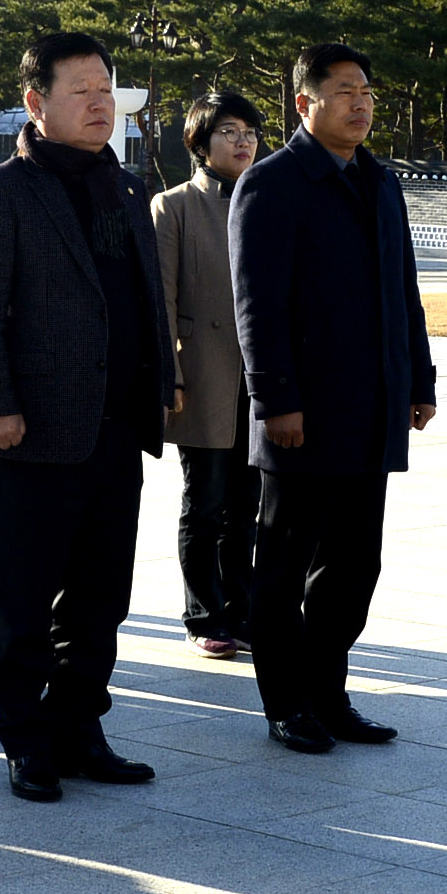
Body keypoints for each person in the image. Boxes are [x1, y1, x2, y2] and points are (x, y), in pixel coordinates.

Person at [0, 30, 175, 802]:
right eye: (81, 91)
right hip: (33, 427)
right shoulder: (2, 188)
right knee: (24, 594)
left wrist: (164, 382)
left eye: (105, 90)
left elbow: (147, 298)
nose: (99, 104)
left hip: (114, 427)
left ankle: (82, 726)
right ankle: (26, 740)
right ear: (36, 102)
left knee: (100, 597)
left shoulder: (125, 186)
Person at [229, 41, 437, 753]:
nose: (361, 103)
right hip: (302, 414)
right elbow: (256, 305)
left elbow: (402, 290)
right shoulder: (273, 183)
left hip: (370, 408)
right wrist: (275, 401)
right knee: (285, 564)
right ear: (304, 102)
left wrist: (420, 379)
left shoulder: (379, 182)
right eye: (344, 90)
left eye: (368, 92)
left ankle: (329, 692)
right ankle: (286, 701)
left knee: (353, 567)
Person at [153, 89, 262, 657]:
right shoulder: (172, 207)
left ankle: (240, 609)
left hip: (260, 378)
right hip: (201, 373)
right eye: (228, 131)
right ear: (200, 141)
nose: (242, 141)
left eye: (248, 131)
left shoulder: (266, 199)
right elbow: (161, 301)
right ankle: (202, 615)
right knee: (206, 501)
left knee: (249, 504)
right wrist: (168, 374)